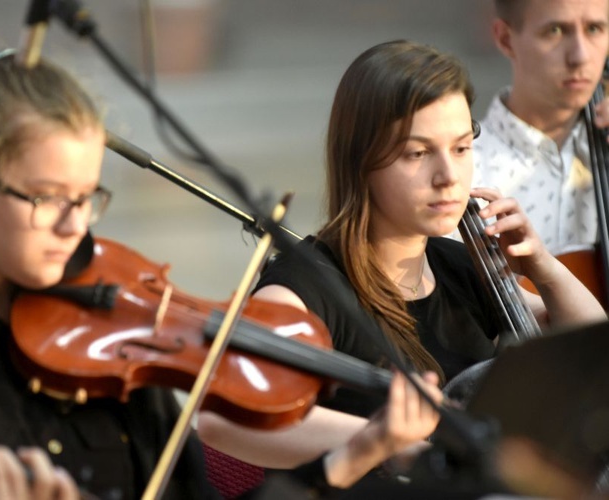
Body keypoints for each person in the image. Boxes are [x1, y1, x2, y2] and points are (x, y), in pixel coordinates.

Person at [0, 28, 445, 499]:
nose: (77, 225)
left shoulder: (114, 328)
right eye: (47, 198)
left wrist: (359, 452)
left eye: (87, 197)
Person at [197, 39, 607, 495]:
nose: (448, 176)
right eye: (417, 153)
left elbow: (592, 355)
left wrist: (545, 269)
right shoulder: (305, 289)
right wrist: (384, 441)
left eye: (461, 148)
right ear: (361, 160)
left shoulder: (458, 265)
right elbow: (220, 420)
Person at [473, 0, 609, 259]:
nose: (580, 56)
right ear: (505, 39)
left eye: (594, 29)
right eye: (555, 30)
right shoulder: (461, 169)